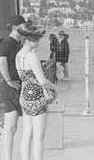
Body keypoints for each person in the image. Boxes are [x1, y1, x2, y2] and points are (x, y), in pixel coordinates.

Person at [15, 23, 58, 160]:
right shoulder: (31, 55)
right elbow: (42, 80)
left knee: (27, 133)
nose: (39, 41)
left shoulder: (18, 55)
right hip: (37, 97)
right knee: (39, 136)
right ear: (27, 39)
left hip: (24, 96)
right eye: (36, 39)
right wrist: (55, 88)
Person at [0, 14, 27, 160]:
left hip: (15, 87)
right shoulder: (9, 43)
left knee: (11, 127)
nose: (25, 28)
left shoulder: (17, 43)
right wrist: (8, 80)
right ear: (16, 27)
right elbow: (1, 61)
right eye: (24, 26)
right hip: (11, 87)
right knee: (10, 127)